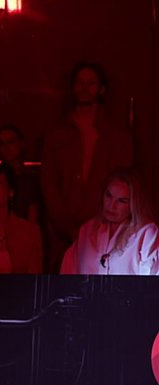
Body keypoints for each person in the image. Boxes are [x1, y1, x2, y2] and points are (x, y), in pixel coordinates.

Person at [41, 62, 132, 265]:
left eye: (91, 83)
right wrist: (63, 222)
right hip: (61, 229)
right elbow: (48, 183)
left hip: (104, 227)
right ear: (72, 87)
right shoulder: (57, 132)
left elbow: (124, 183)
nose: (84, 88)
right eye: (80, 82)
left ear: (101, 89)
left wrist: (102, 222)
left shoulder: (117, 135)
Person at [61, 169, 159, 275]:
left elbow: (153, 278)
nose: (112, 206)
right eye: (109, 196)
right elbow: (69, 274)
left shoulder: (146, 233)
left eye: (121, 201)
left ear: (133, 204)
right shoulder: (87, 230)